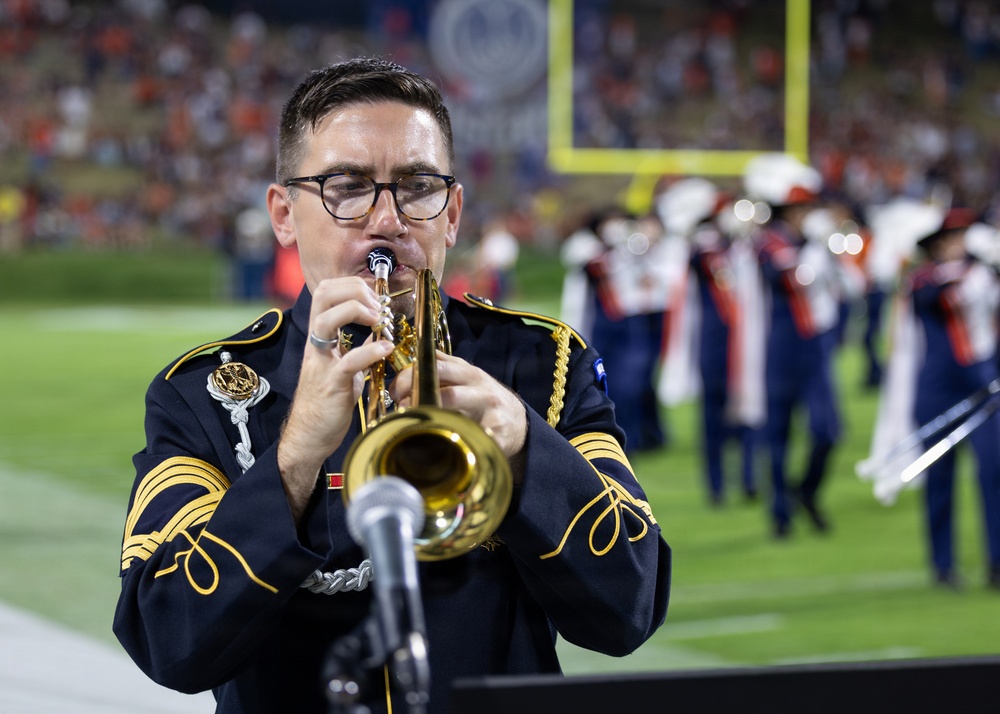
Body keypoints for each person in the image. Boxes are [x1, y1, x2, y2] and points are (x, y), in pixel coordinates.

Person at [112, 57, 671, 714]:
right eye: (346, 187)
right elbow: (167, 641)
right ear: (284, 215)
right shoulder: (204, 392)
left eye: (417, 186)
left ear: (453, 212)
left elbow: (628, 613)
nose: (388, 219)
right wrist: (292, 461)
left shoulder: (542, 363)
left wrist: (525, 449)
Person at [744, 153, 843, 538]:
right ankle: (780, 512)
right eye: (798, 208)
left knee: (827, 431)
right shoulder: (769, 244)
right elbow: (792, 278)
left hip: (814, 346)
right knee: (779, 434)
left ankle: (807, 491)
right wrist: (819, 252)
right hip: (780, 348)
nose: (804, 214)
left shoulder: (811, 242)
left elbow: (847, 285)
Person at [906, 208, 1000, 589]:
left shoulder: (985, 276)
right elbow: (931, 297)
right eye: (952, 238)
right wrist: (974, 272)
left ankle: (997, 562)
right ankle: (943, 564)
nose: (958, 245)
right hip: (938, 389)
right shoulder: (924, 279)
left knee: (993, 472)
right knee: (939, 478)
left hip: (982, 386)